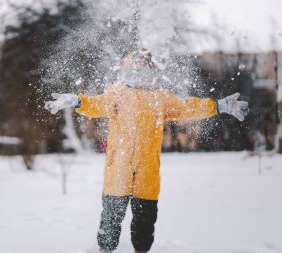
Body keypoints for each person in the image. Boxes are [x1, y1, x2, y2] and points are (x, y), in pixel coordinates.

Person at [44, 48, 249, 253]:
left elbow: (188, 107)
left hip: (147, 175)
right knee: (110, 223)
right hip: (118, 172)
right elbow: (94, 104)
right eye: (137, 67)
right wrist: (77, 100)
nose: (141, 71)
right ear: (128, 69)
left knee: (144, 226)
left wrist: (220, 106)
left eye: (146, 67)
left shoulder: (160, 99)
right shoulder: (116, 94)